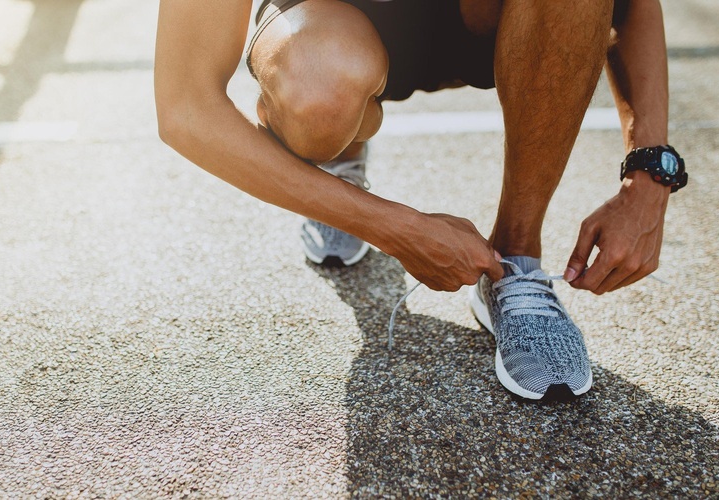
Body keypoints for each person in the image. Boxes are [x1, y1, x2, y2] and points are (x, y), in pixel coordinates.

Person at [154, 0, 687, 401]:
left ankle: (515, 261)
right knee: (317, 93)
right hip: (336, 20)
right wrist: (389, 226)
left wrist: (649, 176)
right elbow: (186, 105)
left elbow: (631, 3)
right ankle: (336, 161)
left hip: (495, 15)